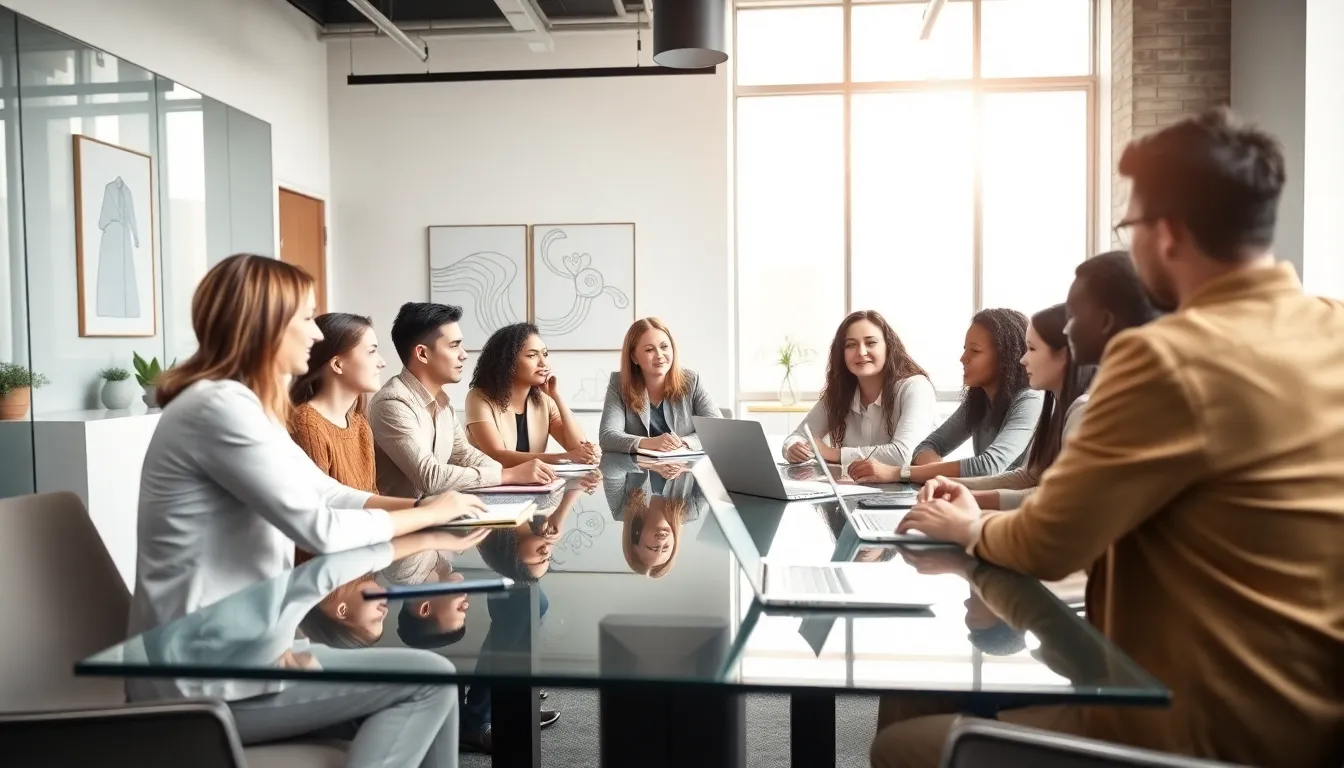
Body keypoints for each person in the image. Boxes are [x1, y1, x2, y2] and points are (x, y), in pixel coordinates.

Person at [879, 108, 1344, 767]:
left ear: (1170, 233)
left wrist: (963, 527)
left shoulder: (1166, 357)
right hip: (1312, 718)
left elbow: (1046, 543)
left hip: (1188, 729)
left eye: (1131, 225)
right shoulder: (1332, 327)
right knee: (920, 698)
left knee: (903, 743)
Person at [132, 254, 487, 767]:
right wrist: (429, 515)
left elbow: (326, 492)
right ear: (263, 325)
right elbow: (319, 528)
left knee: (435, 679)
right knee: (428, 684)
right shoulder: (219, 409)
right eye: (304, 318)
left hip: (248, 653)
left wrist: (427, 508)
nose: (315, 335)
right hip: (203, 679)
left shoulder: (246, 406)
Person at [369, 302, 556, 498]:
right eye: (454, 346)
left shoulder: (442, 403)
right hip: (404, 521)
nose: (464, 355)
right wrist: (506, 475)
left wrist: (506, 473)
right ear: (423, 353)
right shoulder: (392, 403)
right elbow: (430, 477)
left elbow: (464, 454)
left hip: (439, 514)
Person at [849, 309, 1043, 485]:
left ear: (1005, 357)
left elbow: (990, 466)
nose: (963, 358)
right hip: (989, 506)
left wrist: (899, 473)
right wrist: (937, 477)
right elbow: (927, 446)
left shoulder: (1030, 401)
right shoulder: (979, 401)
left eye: (974, 350)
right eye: (965, 348)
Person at [953, 304, 1094, 511]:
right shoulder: (1058, 408)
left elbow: (1055, 497)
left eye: (1032, 349)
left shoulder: (1083, 411)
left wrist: (968, 500)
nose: (1023, 359)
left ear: (1065, 354)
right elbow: (1027, 476)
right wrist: (951, 486)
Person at [781, 310, 937, 470]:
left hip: (912, 493)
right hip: (854, 490)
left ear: (888, 347)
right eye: (851, 345)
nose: (861, 352)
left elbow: (904, 454)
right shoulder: (840, 393)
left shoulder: (916, 387)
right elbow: (798, 436)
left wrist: (833, 454)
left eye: (871, 343)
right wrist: (793, 448)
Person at [288, 312, 386, 563]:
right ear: (337, 364)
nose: (382, 362)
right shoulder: (307, 424)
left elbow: (370, 497)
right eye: (371, 351)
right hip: (325, 568)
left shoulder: (360, 425)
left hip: (362, 554)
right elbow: (319, 518)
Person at [464, 322, 600, 467]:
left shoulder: (544, 399)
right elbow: (498, 456)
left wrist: (556, 396)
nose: (543, 363)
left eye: (545, 354)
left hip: (534, 484)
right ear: (507, 362)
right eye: (532, 355)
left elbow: (577, 447)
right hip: (489, 485)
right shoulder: (478, 398)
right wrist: (565, 457)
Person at [600, 317, 721, 454]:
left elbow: (716, 430)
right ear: (634, 357)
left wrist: (684, 443)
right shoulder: (619, 383)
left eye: (664, 347)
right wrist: (649, 443)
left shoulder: (692, 380)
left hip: (684, 470)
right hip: (637, 472)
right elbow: (607, 436)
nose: (659, 355)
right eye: (649, 350)